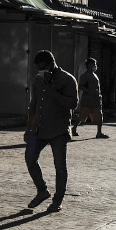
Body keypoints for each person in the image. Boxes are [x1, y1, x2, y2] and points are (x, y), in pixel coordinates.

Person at [24, 50, 79, 213]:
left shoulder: (68, 80)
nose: (41, 71)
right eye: (38, 68)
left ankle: (58, 200)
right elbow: (33, 105)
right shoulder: (38, 80)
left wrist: (52, 91)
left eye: (43, 67)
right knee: (30, 158)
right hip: (39, 128)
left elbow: (72, 104)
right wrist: (28, 128)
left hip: (58, 130)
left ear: (52, 64)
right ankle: (42, 190)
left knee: (60, 166)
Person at [73, 57, 108, 139]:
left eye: (95, 64)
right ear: (89, 65)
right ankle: (74, 128)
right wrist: (90, 91)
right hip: (88, 100)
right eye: (93, 64)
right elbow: (81, 86)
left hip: (96, 100)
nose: (95, 66)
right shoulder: (85, 75)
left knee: (99, 115)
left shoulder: (94, 75)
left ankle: (99, 133)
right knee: (82, 116)